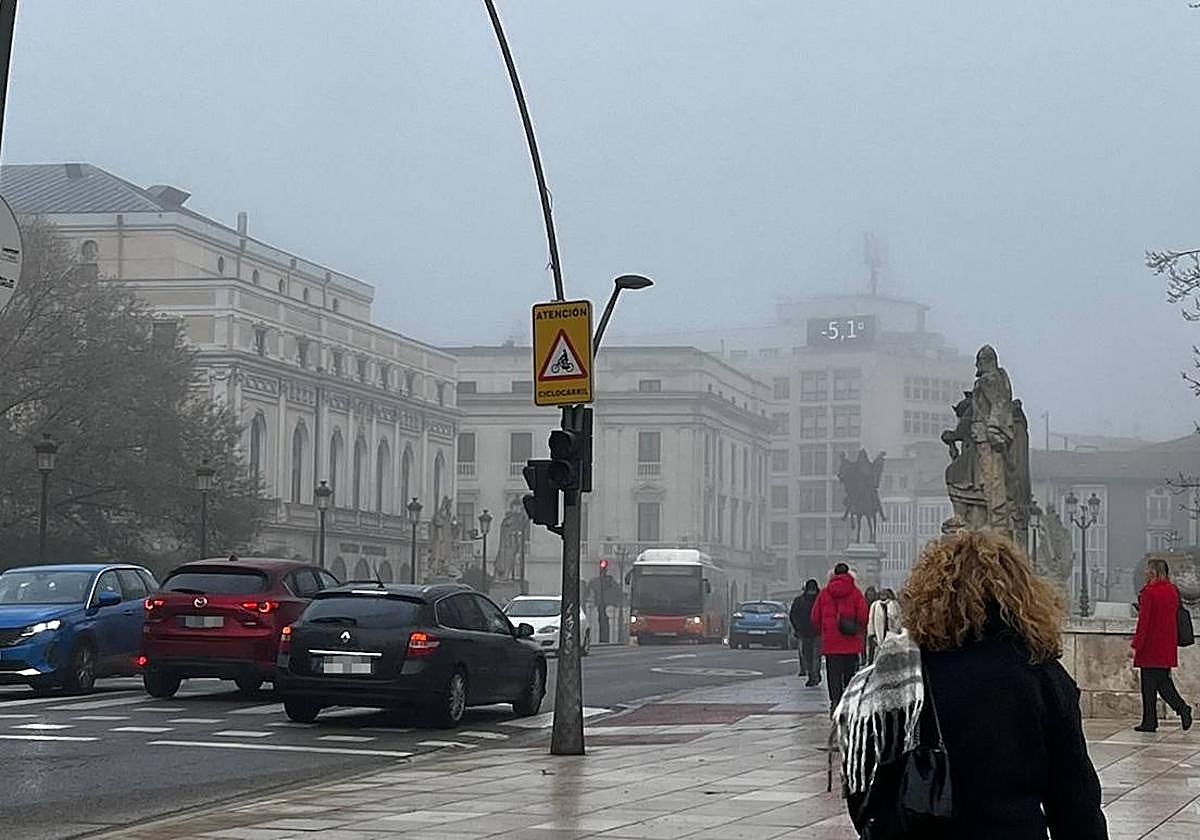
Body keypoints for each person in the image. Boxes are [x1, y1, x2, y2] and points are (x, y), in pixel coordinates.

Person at [835, 529, 1106, 840]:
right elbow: (1075, 802)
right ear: (1021, 594)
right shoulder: (1041, 674)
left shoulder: (899, 676)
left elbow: (864, 787)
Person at [1132, 557, 1193, 733]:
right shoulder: (1172, 590)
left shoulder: (1149, 593)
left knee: (1151, 686)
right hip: (1166, 643)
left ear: (1152, 572)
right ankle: (1152, 720)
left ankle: (1179, 709)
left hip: (1151, 645)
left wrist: (1136, 644)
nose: (1145, 572)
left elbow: (1145, 622)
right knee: (1161, 682)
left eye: (1147, 570)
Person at [811, 563, 868, 710]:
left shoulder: (824, 593)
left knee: (833, 675)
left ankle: (835, 701)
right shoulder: (855, 593)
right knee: (850, 674)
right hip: (851, 642)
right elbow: (863, 616)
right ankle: (848, 701)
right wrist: (858, 630)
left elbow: (815, 617)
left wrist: (825, 630)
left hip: (831, 642)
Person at [790, 579, 822, 686]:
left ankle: (813, 676)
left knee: (809, 656)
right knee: (813, 656)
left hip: (808, 633)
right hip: (815, 632)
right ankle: (814, 674)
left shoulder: (799, 600)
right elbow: (793, 616)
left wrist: (797, 628)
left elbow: (793, 616)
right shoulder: (820, 599)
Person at [866, 587, 901, 662]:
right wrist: (871, 634)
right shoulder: (875, 605)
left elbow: (898, 619)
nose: (883, 596)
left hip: (891, 633)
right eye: (882, 594)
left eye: (885, 594)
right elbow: (871, 621)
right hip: (879, 633)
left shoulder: (894, 604)